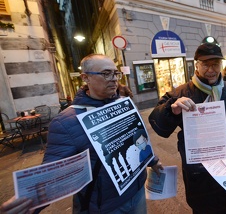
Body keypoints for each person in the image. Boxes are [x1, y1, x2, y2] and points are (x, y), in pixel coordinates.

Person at [0, 54, 162, 214]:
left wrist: (152, 160)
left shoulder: (124, 105)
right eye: (106, 73)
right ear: (86, 78)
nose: (114, 79)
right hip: (104, 206)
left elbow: (137, 139)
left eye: (115, 73)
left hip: (137, 190)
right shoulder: (65, 122)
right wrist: (29, 203)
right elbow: (52, 175)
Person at [148, 42, 226, 214]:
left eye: (215, 64)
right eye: (205, 64)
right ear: (196, 64)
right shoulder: (180, 93)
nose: (211, 69)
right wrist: (171, 109)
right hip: (200, 172)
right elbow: (159, 125)